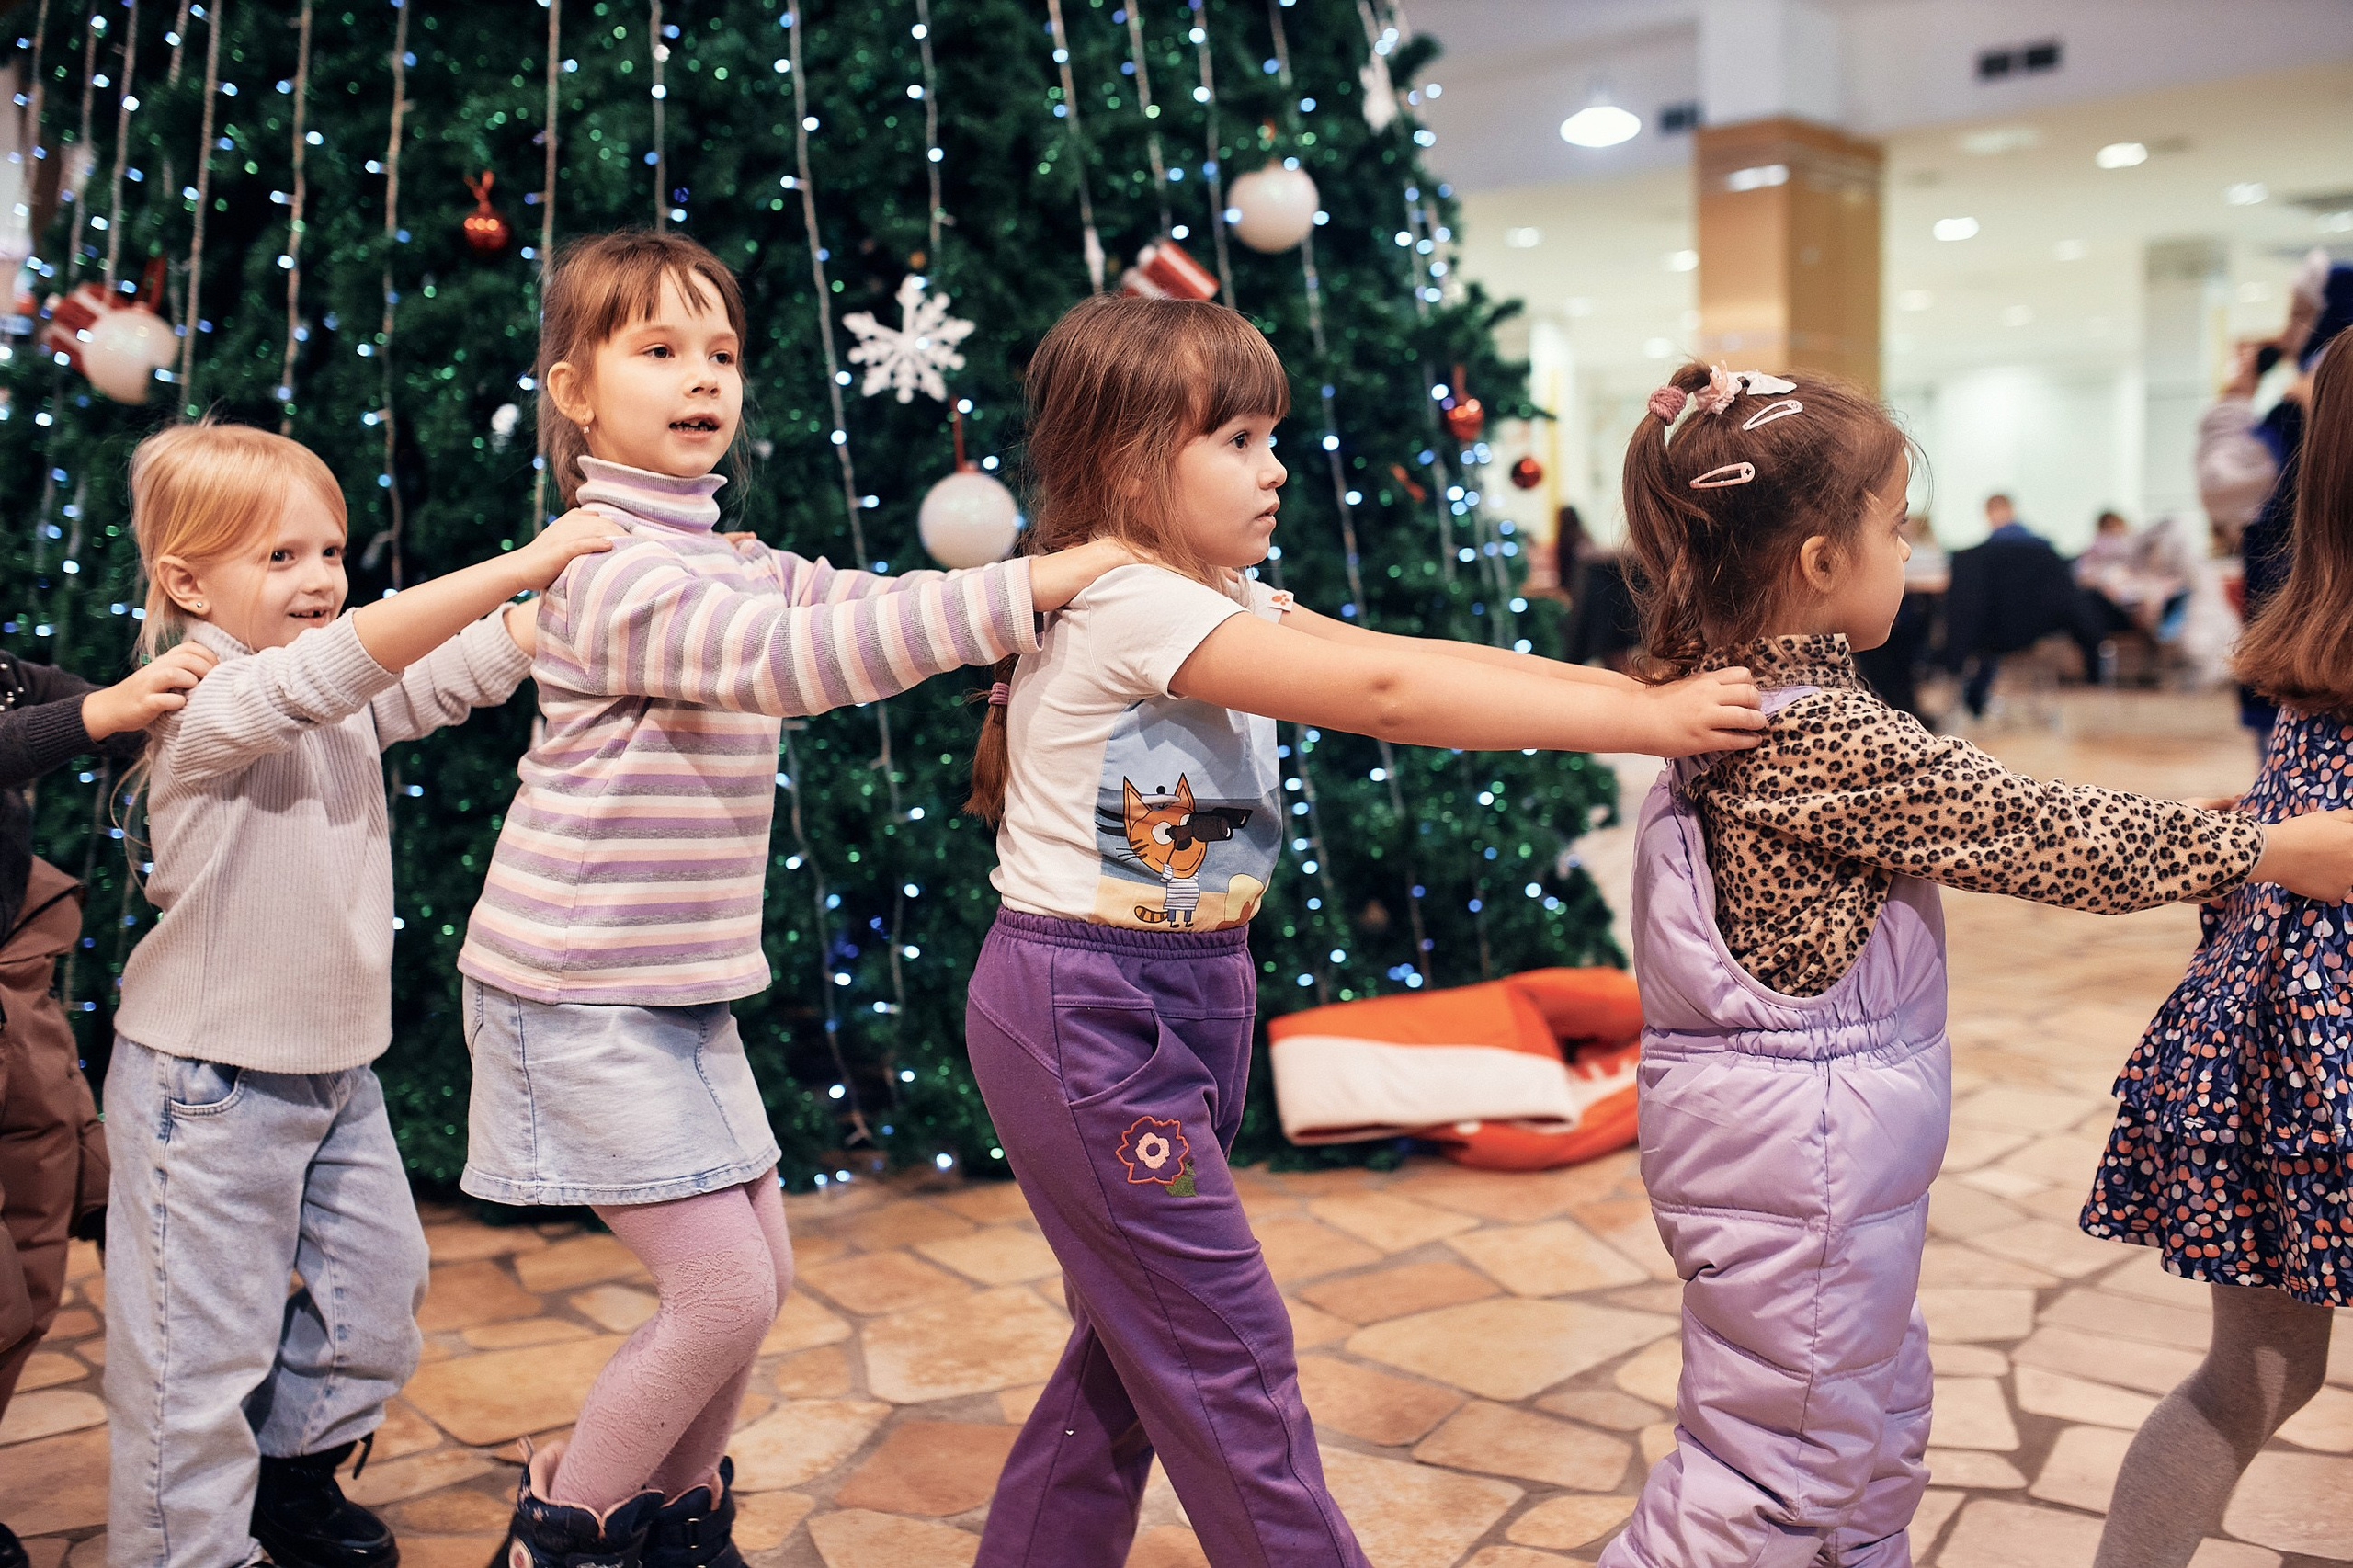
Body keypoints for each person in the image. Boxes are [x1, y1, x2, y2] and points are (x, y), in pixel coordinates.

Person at [960, 296, 1766, 1568]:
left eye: (1270, 434)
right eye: (1235, 438)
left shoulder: (1211, 591)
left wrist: (1627, 691)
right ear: (1124, 461)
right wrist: (1644, 727)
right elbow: (1388, 698)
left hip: (1176, 993)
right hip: (1089, 1012)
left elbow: (1402, 649)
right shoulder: (1130, 604)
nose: (1274, 464)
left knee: (1136, 1343)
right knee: (1225, 1353)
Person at [453, 231, 1140, 1568]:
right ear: (575, 393)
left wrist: (1038, 593)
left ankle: (675, 1517)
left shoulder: (727, 555)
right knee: (713, 1296)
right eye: (659, 349)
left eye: (722, 352)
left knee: (755, 1284)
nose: (703, 375)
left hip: (672, 987)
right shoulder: (607, 572)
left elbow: (869, 603)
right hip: (574, 986)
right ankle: (564, 1536)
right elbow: (796, 659)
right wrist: (1038, 585)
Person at [1594, 360, 2353, 1568]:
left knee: (1860, 1425)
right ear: (1820, 564)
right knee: (1779, 1471)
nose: (1911, 552)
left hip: (1804, 1152)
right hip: (1805, 1159)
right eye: (1896, 527)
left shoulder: (1742, 694)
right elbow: (2041, 834)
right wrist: (2268, 848)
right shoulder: (1821, 732)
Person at [105, 422, 621, 1568]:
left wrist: (552, 614)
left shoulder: (322, 682)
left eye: (330, 551)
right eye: (279, 557)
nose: (321, 578)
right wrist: (523, 562)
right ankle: (188, 1550)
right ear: (186, 579)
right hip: (209, 1081)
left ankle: (290, 1479)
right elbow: (334, 670)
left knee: (377, 1296)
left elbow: (424, 679)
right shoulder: (196, 697)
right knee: (195, 1359)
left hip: (336, 1068)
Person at [2084, 330, 2353, 1568]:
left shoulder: (2316, 624)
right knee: (2256, 1373)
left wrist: (2237, 835)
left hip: (2276, 1038)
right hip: (2314, 1044)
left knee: (2253, 1373)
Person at [0, 641, 214, 1568]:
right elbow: (73, 716)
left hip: (13, 971)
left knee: (35, 1244)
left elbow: (78, 700)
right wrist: (99, 715)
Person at [1941, 494, 2095, 716]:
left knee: (1987, 641)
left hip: (1987, 635)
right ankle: (1977, 699)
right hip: (2035, 633)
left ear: (1988, 514)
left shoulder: (1974, 558)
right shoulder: (2044, 550)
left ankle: (1974, 701)